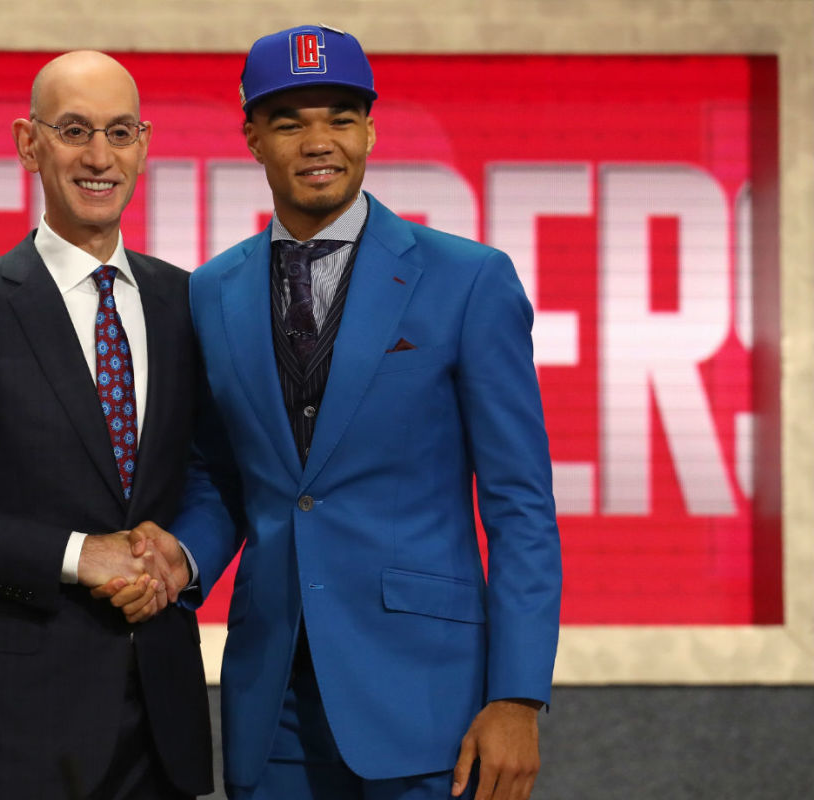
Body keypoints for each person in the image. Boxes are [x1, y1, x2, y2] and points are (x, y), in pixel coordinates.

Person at [110, 24, 562, 800]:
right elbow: (222, 476)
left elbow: (521, 505)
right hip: (271, 694)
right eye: (290, 122)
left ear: (371, 130)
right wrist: (181, 558)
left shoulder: (468, 280)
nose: (320, 142)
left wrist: (517, 696)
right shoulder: (212, 291)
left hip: (429, 700)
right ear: (251, 136)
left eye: (341, 118)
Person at [0, 50, 212, 800]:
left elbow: (217, 473)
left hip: (163, 728)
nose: (99, 157)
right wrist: (75, 555)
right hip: (12, 737)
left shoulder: (193, 304)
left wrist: (180, 556)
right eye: (74, 130)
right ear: (29, 143)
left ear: (144, 146)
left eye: (119, 133)